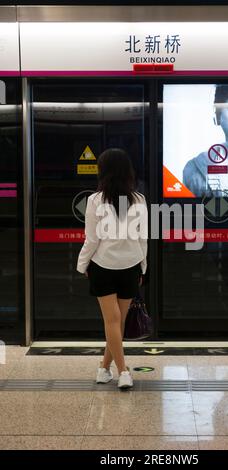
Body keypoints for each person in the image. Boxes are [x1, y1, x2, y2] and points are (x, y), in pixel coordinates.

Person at [77, 148, 148, 389]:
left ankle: (119, 371)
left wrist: (82, 264)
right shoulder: (139, 199)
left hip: (103, 267)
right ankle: (107, 369)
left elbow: (92, 239)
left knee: (112, 322)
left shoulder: (95, 200)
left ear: (103, 172)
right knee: (117, 321)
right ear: (128, 172)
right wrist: (143, 267)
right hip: (130, 266)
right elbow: (142, 238)